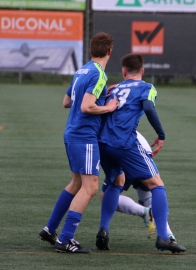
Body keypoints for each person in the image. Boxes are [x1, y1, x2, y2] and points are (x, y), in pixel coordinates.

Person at [95, 53, 186, 253]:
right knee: (157, 185)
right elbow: (148, 107)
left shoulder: (115, 88)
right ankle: (163, 237)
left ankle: (103, 230)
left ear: (124, 71)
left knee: (114, 184)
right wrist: (161, 134)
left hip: (103, 142)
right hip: (125, 143)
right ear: (142, 71)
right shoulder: (147, 87)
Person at [38, 32, 118, 253]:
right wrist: (108, 107)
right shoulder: (99, 74)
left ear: (91, 50)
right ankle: (65, 240)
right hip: (84, 136)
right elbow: (86, 107)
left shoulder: (82, 70)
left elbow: (66, 101)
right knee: (90, 187)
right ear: (109, 51)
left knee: (76, 184)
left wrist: (100, 96)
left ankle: (49, 229)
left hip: (71, 133)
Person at [100, 131, 177, 241]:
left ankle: (145, 212)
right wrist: (161, 135)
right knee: (149, 193)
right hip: (142, 149)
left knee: (106, 196)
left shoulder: (106, 119)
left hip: (126, 149)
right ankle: (169, 237)